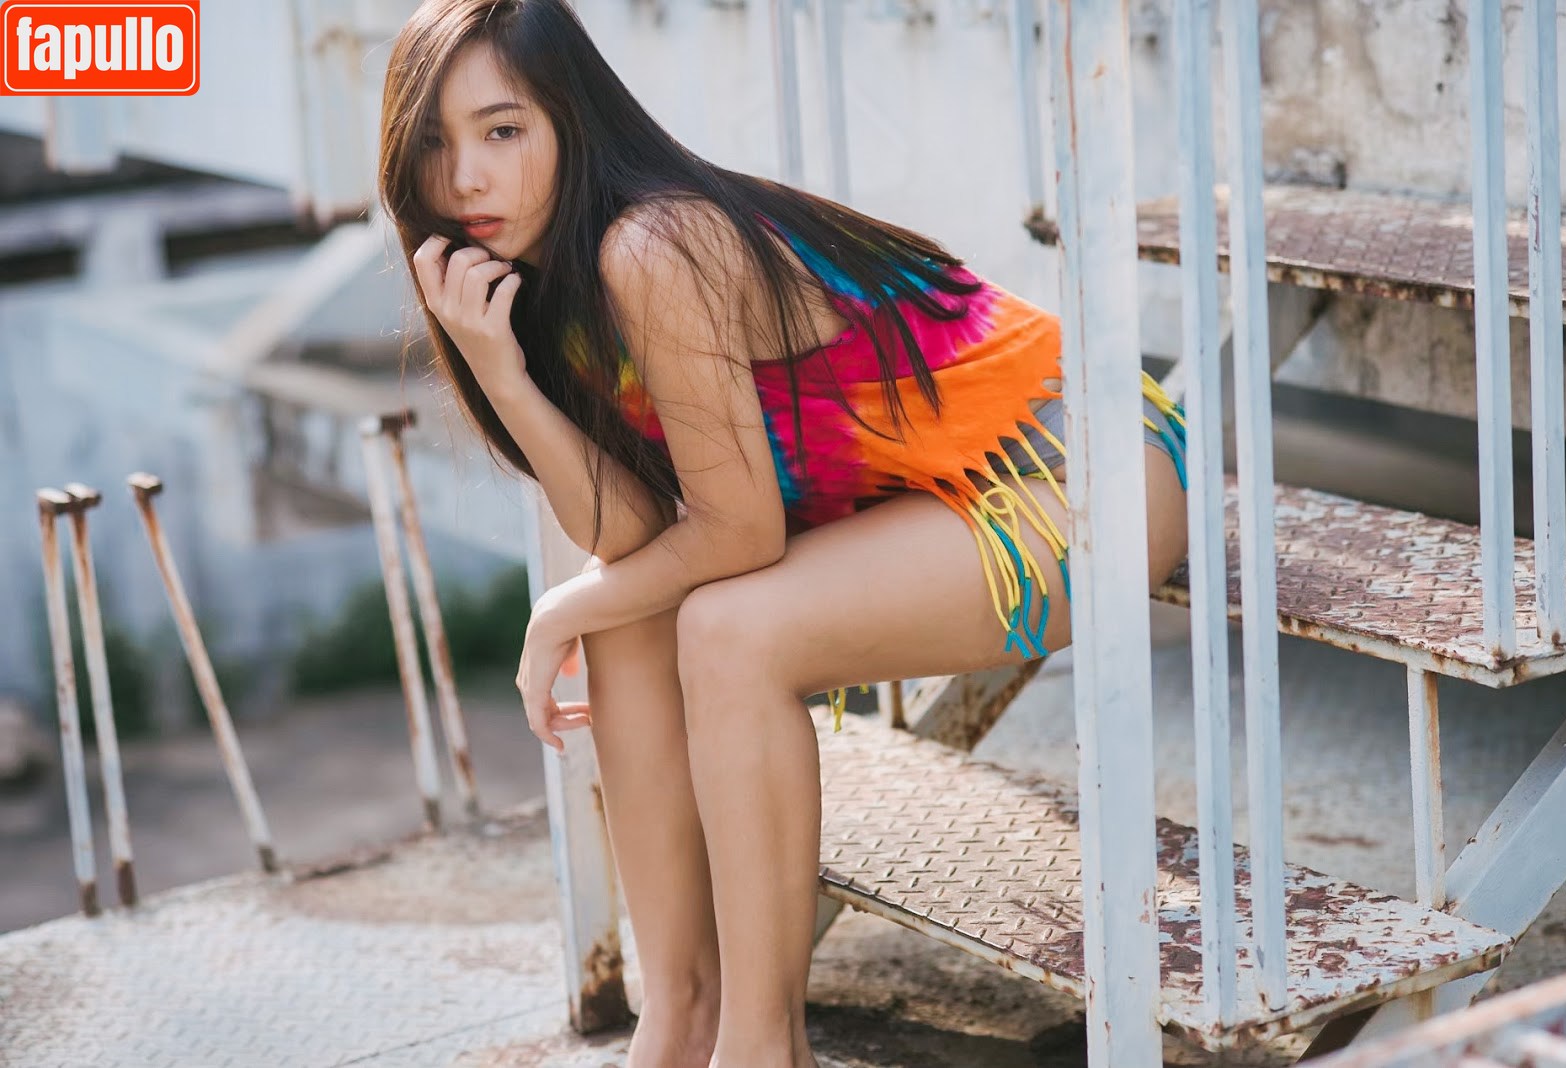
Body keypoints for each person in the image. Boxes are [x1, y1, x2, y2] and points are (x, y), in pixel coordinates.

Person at [377, 1, 1189, 1064]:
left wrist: (555, 611)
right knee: (633, 608)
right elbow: (628, 529)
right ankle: (680, 1014)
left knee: (726, 627)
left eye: (502, 130)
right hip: (932, 495)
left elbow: (739, 534)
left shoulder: (655, 242)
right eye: (435, 144)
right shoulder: (544, 279)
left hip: (1078, 473)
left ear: (572, 120)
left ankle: (763, 1049)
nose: (466, 179)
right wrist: (501, 371)